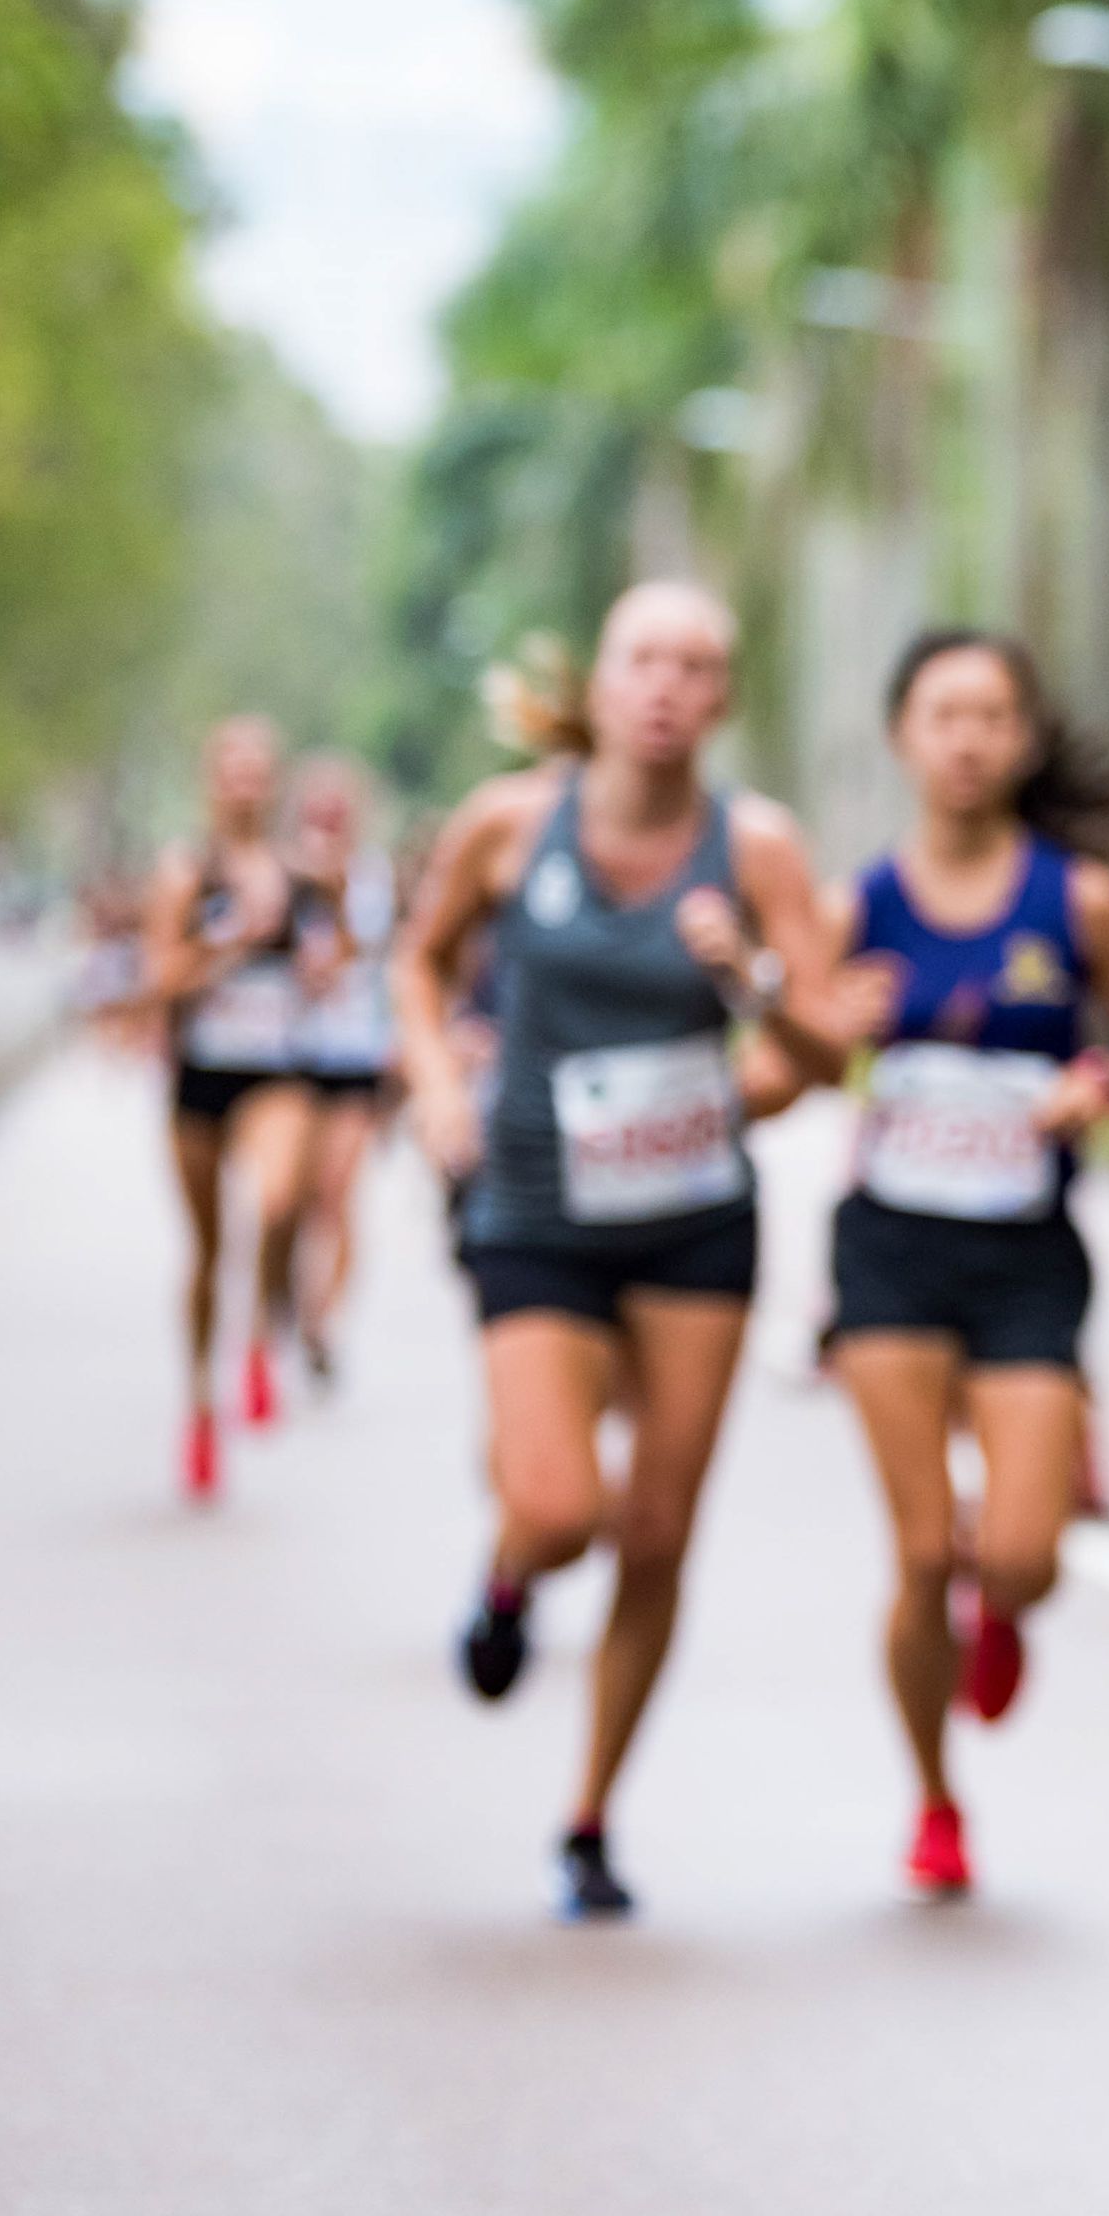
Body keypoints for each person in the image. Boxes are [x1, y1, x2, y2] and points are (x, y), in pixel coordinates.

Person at [393, 585, 839, 1922]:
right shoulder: (508, 825)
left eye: (697, 666)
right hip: (534, 1207)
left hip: (695, 1220)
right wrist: (430, 1087)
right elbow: (420, 968)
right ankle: (508, 1576)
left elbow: (817, 1056)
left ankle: (588, 1818)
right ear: (596, 681)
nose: (665, 685)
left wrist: (748, 982)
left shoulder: (754, 852)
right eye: (644, 658)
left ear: (722, 700)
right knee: (556, 1507)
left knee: (653, 1533)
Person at [821, 629, 1109, 1898]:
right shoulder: (859, 905)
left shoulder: (1074, 900)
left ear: (1021, 741)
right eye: (943, 714)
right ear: (902, 738)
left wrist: (1098, 1082)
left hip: (1025, 1256)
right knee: (921, 1555)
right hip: (889, 1255)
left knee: (1022, 1559)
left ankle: (1001, 1590)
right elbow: (796, 1056)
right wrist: (812, 1019)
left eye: (990, 716)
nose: (968, 737)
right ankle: (933, 1801)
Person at [142, 716, 318, 1494]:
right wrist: (227, 945)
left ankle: (261, 1336)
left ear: (274, 781)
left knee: (279, 1200)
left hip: (274, 1072)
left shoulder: (303, 868)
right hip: (202, 1077)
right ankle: (201, 1409)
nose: (246, 782)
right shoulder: (188, 869)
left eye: (259, 769)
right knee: (208, 1254)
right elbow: (160, 978)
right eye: (233, 769)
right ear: (212, 780)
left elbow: (339, 948)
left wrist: (323, 962)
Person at [282, 756, 399, 1382]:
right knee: (294, 1197)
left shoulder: (370, 876)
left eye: (338, 807)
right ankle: (294, 1299)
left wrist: (331, 887)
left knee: (337, 1195)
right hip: (291, 1055)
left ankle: (321, 1321)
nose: (327, 818)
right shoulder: (280, 874)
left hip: (355, 1055)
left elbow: (361, 950)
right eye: (316, 806)